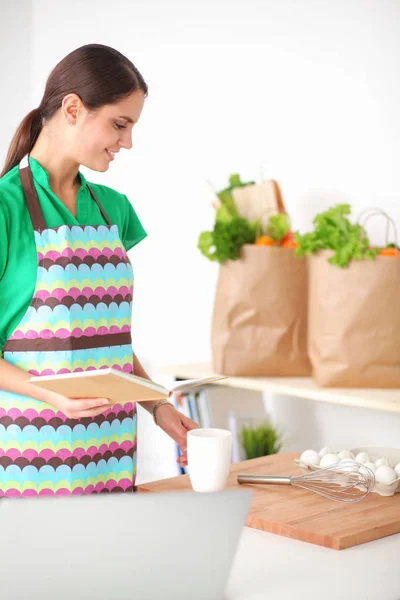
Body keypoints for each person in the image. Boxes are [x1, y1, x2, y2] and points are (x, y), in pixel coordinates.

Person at [0, 43, 198, 497]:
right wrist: (50, 395)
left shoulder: (114, 211)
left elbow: (102, 340)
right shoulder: (5, 210)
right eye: (119, 124)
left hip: (108, 452)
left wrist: (158, 406)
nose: (127, 142)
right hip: (28, 458)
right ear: (73, 108)